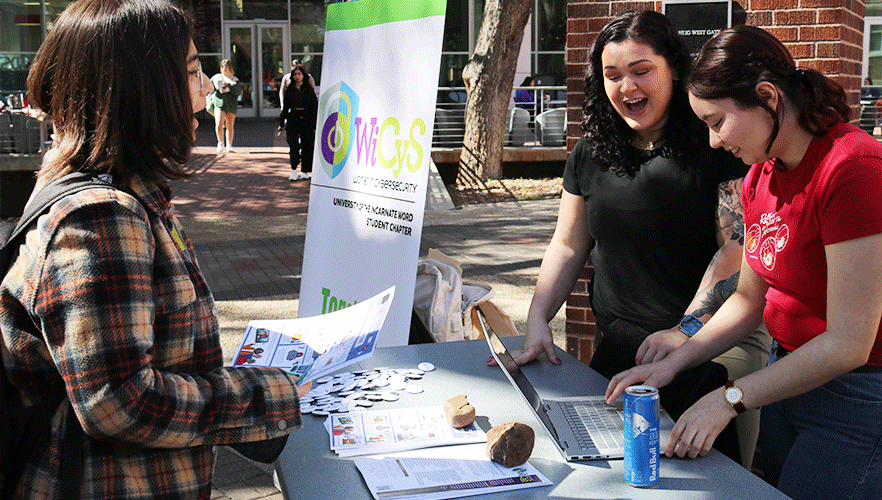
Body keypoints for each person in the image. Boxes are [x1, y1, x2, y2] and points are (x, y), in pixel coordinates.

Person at [0, 1, 311, 498]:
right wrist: (271, 393)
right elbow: (118, 401)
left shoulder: (120, 195)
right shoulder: (100, 216)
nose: (206, 86)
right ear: (140, 91)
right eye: (192, 72)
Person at [607, 25, 882, 500]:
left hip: (855, 397)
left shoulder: (852, 168)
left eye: (717, 122)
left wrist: (730, 398)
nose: (713, 142)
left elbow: (849, 343)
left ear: (767, 97)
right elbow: (749, 299)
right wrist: (675, 363)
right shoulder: (760, 178)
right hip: (786, 379)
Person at [510, 11, 770, 466]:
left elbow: (738, 248)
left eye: (641, 71)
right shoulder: (590, 150)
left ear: (673, 67)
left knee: (709, 479)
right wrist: (537, 319)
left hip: (714, 345)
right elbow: (569, 244)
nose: (626, 87)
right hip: (623, 344)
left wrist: (685, 331)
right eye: (612, 75)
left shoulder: (716, 142)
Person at [278, 65, 318, 181]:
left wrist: (314, 124)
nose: (297, 76)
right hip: (293, 119)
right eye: (295, 74)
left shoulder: (308, 89)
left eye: (299, 74)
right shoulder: (290, 90)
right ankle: (294, 169)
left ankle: (305, 170)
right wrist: (281, 123)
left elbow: (314, 107)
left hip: (306, 119)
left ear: (303, 75)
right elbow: (285, 108)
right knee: (293, 145)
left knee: (307, 145)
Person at [209, 59, 242, 153]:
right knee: (219, 123)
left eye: (226, 66)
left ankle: (229, 145)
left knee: (229, 125)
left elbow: (238, 91)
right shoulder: (217, 77)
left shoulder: (234, 79)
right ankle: (220, 142)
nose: (224, 68)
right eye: (222, 67)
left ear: (230, 67)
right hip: (219, 103)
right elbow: (213, 87)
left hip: (231, 104)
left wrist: (230, 86)